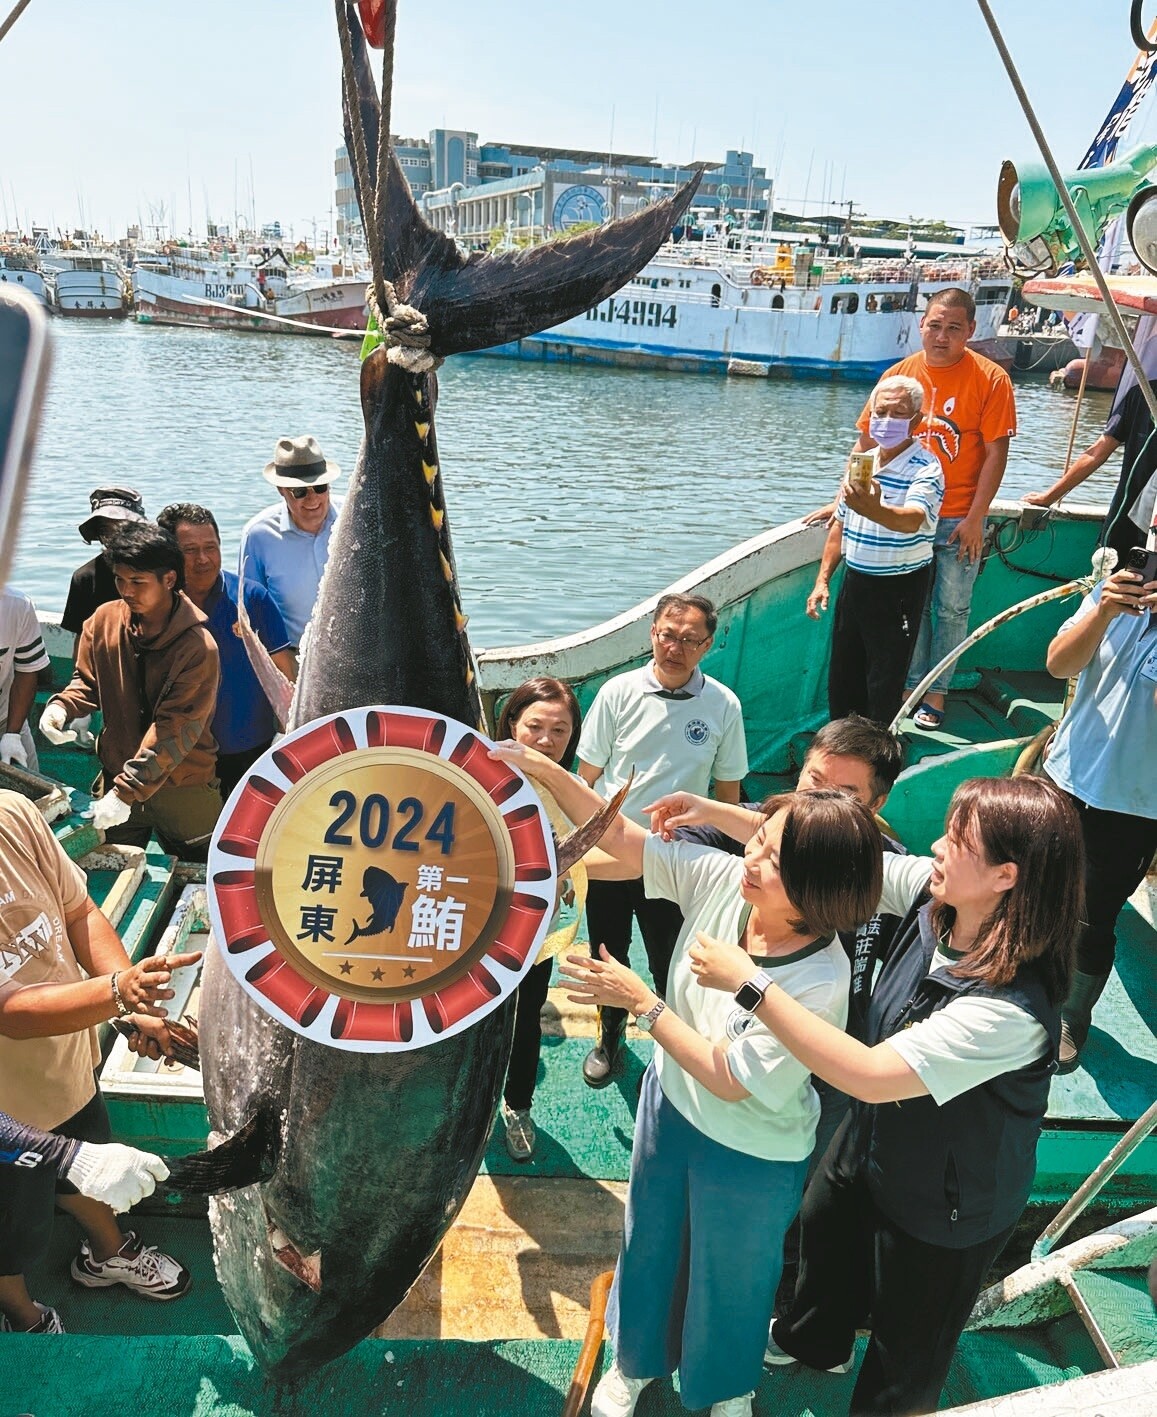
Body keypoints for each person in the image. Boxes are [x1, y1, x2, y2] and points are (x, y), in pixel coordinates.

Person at [490, 737, 881, 1417]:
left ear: (814, 891)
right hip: (669, 1107)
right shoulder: (724, 879)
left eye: (771, 856)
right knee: (649, 1242)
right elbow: (625, 837)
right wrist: (541, 768)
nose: (750, 858)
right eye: (759, 840)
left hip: (752, 1149)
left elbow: (731, 1078)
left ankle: (725, 1384)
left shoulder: (820, 979)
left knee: (732, 1276)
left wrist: (641, 1002)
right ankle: (633, 1360)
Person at [689, 776, 1080, 1417]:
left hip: (949, 1200)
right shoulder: (940, 902)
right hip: (874, 1139)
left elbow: (868, 1073)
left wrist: (751, 984)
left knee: (907, 1351)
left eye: (957, 841)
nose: (936, 848)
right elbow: (831, 853)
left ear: (1006, 875)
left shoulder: (1012, 1012)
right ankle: (814, 1340)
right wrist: (711, 812)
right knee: (825, 1224)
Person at [649, 714, 907, 1168]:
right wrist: (704, 811)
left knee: (806, 1163)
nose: (819, 800)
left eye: (845, 795)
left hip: (830, 1052)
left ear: (878, 802)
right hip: (741, 1039)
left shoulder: (884, 869)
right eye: (814, 780)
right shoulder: (762, 839)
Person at [0, 788, 200, 1334]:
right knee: (12, 1230)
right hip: (8, 1113)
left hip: (69, 1063)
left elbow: (79, 910)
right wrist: (116, 991)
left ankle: (107, 1252)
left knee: (87, 1157)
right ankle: (22, 1315)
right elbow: (10, 1011)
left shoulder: (13, 814)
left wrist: (128, 1004)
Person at [575, 593, 749, 1086]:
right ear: (652, 633)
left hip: (678, 858)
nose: (675, 648)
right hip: (611, 851)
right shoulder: (617, 692)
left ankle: (674, 1041)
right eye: (667, 635)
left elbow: (729, 796)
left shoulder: (723, 705)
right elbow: (586, 779)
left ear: (708, 645)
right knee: (607, 949)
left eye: (690, 640)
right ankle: (610, 1037)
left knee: (671, 954)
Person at [847, 289, 1016, 730]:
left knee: (952, 608)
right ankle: (912, 687)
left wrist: (978, 517)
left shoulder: (991, 378)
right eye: (934, 325)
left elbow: (996, 452)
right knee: (913, 610)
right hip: (901, 516)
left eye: (953, 328)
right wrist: (839, 500)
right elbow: (866, 441)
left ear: (971, 331)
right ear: (921, 325)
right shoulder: (899, 374)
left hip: (959, 515)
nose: (942, 336)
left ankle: (936, 692)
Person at [40, 523, 221, 860]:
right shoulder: (101, 621)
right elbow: (88, 682)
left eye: (138, 582)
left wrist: (126, 793)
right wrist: (63, 707)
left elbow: (174, 730)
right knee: (105, 870)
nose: (126, 590)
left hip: (182, 785)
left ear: (169, 579)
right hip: (117, 774)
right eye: (120, 579)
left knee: (206, 870)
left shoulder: (198, 647)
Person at [1042, 558, 1157, 1071]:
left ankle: (1071, 1012)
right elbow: (1059, 665)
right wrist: (1104, 611)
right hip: (1065, 773)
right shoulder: (1114, 593)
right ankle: (1013, 978)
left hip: (1135, 805)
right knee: (1028, 885)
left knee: (1092, 916)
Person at [807, 375, 944, 724]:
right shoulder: (863, 461)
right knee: (843, 675)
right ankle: (841, 746)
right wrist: (823, 580)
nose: (886, 421)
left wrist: (875, 510)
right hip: (856, 582)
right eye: (880, 412)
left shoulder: (926, 467)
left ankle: (877, 759)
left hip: (898, 587)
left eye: (897, 413)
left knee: (883, 681)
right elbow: (840, 523)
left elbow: (913, 519)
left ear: (916, 421)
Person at [495, 676, 583, 1162]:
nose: (546, 741)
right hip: (469, 923)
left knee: (525, 1017)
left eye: (560, 731)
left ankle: (518, 1106)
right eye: (535, 727)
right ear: (511, 722)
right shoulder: (478, 773)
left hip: (534, 931)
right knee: (470, 1018)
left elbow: (584, 864)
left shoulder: (571, 790)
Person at [157, 502, 296, 801]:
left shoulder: (253, 598)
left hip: (251, 751)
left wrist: (287, 738)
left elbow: (286, 675)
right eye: (190, 550)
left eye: (211, 546)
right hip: (182, 754)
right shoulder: (156, 607)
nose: (203, 559)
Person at [1025, 377, 1157, 565]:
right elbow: (1097, 452)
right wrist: (1048, 497)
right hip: (1126, 523)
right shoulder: (1142, 394)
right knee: (1110, 584)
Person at [237, 435, 343, 646]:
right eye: (300, 492)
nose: (313, 499)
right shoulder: (257, 535)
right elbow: (251, 608)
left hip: (360, 652)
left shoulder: (355, 517)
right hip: (292, 654)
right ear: (281, 491)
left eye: (321, 487)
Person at [60, 487, 148, 647]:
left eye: (122, 527)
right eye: (106, 529)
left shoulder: (159, 569)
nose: (115, 537)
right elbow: (82, 642)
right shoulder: (85, 577)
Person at [0, 585, 51, 772]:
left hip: (6, 720)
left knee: (34, 793)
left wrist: (12, 734)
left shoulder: (17, 605)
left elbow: (27, 670)